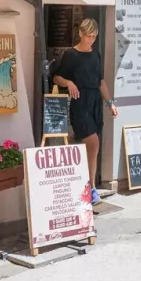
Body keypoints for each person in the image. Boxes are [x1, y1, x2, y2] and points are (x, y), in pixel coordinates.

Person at [51, 18, 116, 196]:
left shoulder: (96, 55)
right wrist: (69, 82)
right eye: (88, 36)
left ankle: (84, 184)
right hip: (79, 102)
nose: (91, 40)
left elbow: (100, 81)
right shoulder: (71, 55)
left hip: (95, 101)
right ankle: (92, 188)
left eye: (94, 36)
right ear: (80, 34)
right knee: (93, 143)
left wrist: (109, 103)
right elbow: (57, 77)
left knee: (90, 145)